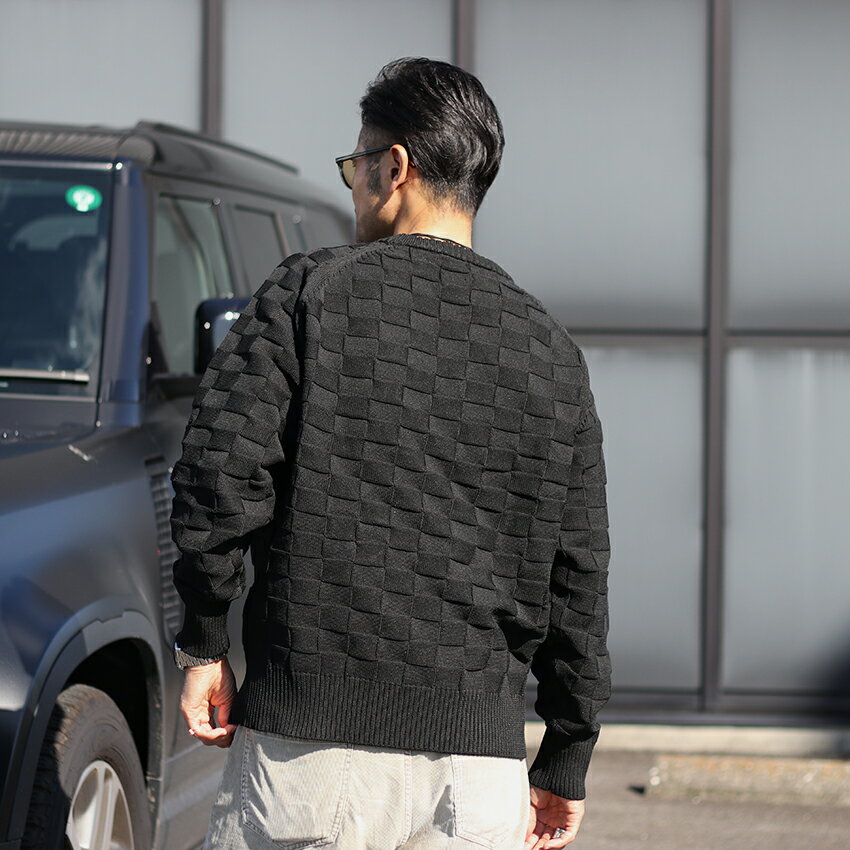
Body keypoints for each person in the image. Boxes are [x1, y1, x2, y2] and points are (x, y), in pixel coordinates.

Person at [170, 57, 611, 850]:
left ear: (395, 167)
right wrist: (567, 754)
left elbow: (220, 473)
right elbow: (576, 572)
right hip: (479, 778)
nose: (353, 186)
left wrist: (204, 640)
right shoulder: (551, 350)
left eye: (355, 165)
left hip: (313, 752)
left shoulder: (312, 292)